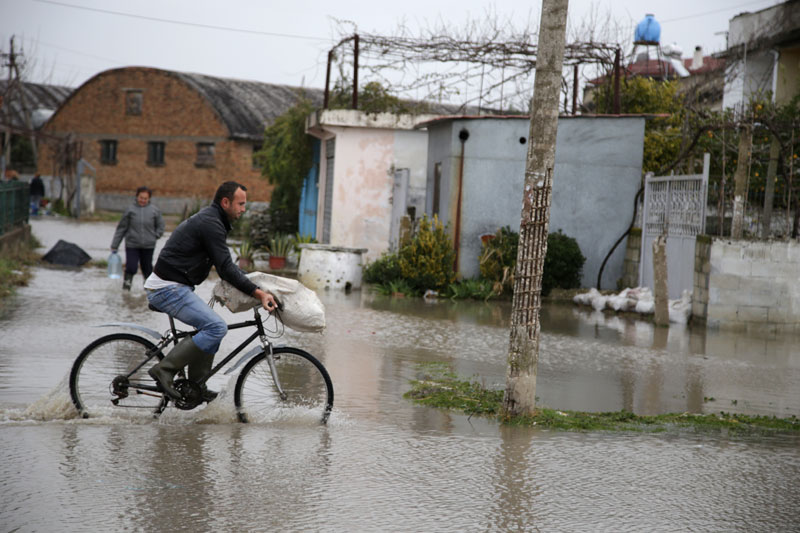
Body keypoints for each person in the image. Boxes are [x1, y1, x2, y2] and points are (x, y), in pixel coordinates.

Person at [144, 181, 277, 402]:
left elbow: (228, 266)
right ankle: (164, 370)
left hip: (175, 286)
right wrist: (258, 293)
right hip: (167, 288)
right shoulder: (211, 224)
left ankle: (196, 386)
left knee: (211, 329)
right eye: (240, 204)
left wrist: (258, 286)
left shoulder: (214, 221)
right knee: (216, 327)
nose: (244, 209)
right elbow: (225, 269)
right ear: (225, 202)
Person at [111, 186, 166, 290]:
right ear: (137, 197)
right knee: (131, 267)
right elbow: (121, 228)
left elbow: (161, 226)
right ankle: (126, 289)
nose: (143, 200)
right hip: (132, 244)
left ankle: (148, 291)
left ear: (149, 199)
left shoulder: (155, 211)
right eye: (141, 198)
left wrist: (155, 236)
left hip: (148, 245)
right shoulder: (130, 210)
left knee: (147, 268)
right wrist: (115, 245)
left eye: (145, 198)